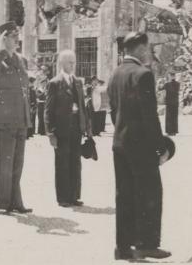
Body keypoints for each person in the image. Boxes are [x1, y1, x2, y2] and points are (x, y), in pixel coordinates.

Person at [107, 32, 171, 261]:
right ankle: (147, 244)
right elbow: (149, 117)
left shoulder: (115, 73)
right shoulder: (143, 74)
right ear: (141, 48)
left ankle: (123, 247)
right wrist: (160, 148)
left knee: (124, 195)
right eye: (148, 47)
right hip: (141, 146)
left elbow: (114, 111)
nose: (149, 52)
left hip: (120, 143)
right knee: (150, 193)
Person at [0, 21, 32, 214]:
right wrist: (0, 50)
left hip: (20, 115)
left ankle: (16, 201)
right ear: (4, 39)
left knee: (18, 161)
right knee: (5, 160)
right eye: (13, 37)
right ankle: (3, 202)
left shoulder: (20, 59)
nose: (17, 39)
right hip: (5, 116)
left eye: (17, 36)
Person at [45, 50, 92, 208]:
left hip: (76, 129)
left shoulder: (77, 82)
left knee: (75, 163)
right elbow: (48, 110)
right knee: (62, 163)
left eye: (74, 62)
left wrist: (87, 128)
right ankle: (63, 197)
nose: (73, 65)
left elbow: (83, 106)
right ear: (62, 64)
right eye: (70, 62)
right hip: (61, 130)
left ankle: (74, 195)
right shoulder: (55, 83)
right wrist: (50, 132)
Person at [35, 65, 49, 135]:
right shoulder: (39, 80)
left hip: (44, 102)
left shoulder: (47, 81)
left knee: (44, 116)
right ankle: (40, 131)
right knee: (40, 116)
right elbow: (37, 91)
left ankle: (43, 130)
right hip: (40, 101)